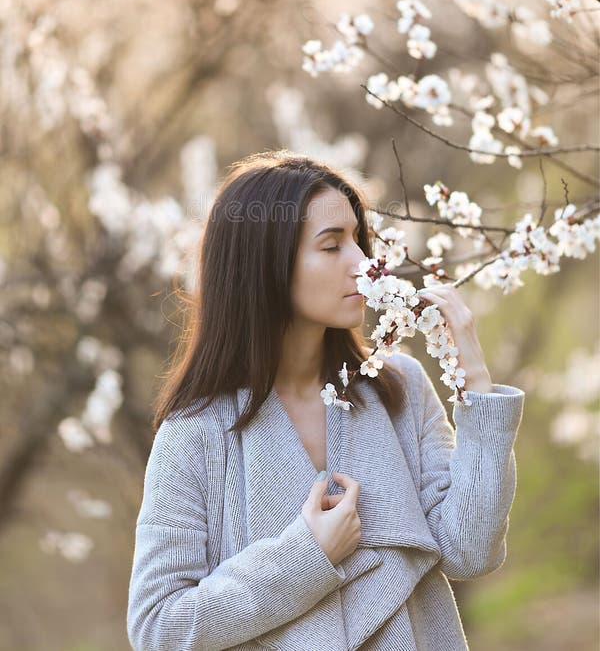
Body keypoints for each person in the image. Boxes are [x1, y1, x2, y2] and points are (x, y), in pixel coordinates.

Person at [126, 150, 525, 651]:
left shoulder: (400, 388)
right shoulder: (194, 433)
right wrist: (306, 557)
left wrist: (478, 387)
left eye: (358, 240)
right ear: (265, 266)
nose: (364, 264)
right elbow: (158, 627)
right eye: (332, 245)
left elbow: (470, 552)